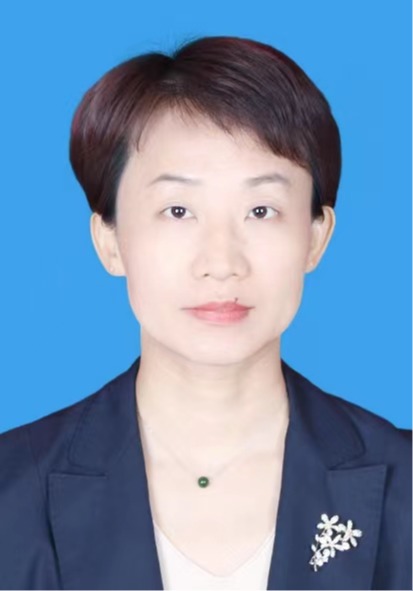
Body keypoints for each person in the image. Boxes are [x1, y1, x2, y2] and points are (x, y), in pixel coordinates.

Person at [0, 35, 411, 591]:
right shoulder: (11, 492)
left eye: (261, 210)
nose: (222, 263)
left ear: (316, 237)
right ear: (110, 240)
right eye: (178, 210)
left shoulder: (404, 487)